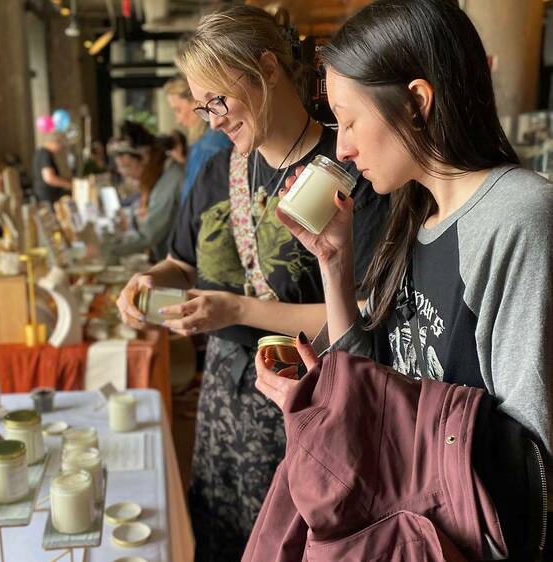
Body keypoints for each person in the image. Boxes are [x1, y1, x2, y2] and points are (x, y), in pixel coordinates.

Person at [254, 0, 552, 559]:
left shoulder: (518, 217)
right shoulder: (416, 215)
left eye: (348, 119)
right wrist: (333, 263)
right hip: (412, 533)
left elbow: (529, 461)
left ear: (416, 101)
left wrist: (354, 403)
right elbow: (385, 375)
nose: (341, 146)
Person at [116, 7, 388, 562]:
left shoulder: (350, 164)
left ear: (266, 68)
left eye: (218, 100)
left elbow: (367, 308)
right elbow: (182, 263)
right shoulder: (219, 170)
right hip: (223, 398)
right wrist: (150, 280)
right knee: (219, 538)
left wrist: (236, 311)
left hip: (310, 399)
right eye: (201, 106)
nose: (211, 120)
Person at [107, 121, 184, 261]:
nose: (127, 175)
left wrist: (107, 250)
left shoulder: (170, 181)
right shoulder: (158, 178)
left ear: (145, 157)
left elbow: (149, 235)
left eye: (128, 166)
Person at [164, 75, 232, 203]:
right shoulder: (205, 143)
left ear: (195, 101)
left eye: (178, 110)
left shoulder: (210, 145)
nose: (178, 120)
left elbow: (197, 199)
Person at [32, 132, 72, 203]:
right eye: (61, 146)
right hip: (47, 197)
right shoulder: (45, 154)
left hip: (45, 195)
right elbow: (49, 178)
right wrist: (68, 184)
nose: (60, 150)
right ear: (55, 142)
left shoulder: (41, 152)